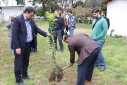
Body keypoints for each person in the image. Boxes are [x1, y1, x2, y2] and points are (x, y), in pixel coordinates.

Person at [11, 7, 51, 85]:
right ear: (26, 13)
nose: (33, 17)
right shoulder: (17, 20)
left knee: (26, 61)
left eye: (33, 16)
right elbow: (14, 34)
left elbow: (37, 29)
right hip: (20, 45)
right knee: (19, 63)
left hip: (28, 44)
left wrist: (46, 34)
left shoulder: (31, 21)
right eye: (31, 15)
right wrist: (17, 47)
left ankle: (25, 75)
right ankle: (19, 80)